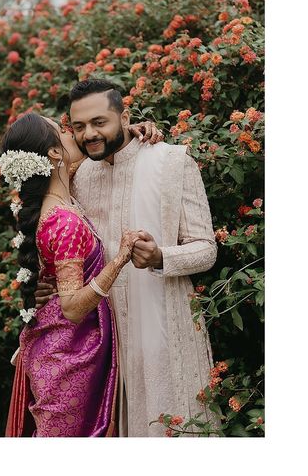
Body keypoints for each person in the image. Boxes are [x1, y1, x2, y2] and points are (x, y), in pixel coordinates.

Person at [38, 79, 219, 437]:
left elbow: (207, 248)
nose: (89, 133)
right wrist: (47, 287)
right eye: (79, 126)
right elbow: (65, 250)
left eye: (100, 122)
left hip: (164, 328)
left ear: (126, 117)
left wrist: (160, 257)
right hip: (105, 342)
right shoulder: (79, 177)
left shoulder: (172, 162)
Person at [1, 112, 145, 437]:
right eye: (64, 130)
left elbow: (101, 153)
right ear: (53, 153)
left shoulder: (61, 199)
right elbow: (72, 307)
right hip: (68, 359)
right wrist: (120, 259)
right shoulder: (63, 221)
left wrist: (129, 134)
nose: (75, 134)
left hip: (59, 351)